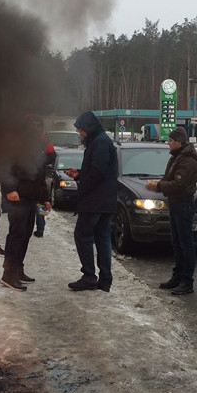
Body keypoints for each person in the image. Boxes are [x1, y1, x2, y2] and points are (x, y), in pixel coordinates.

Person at [65, 111, 118, 292]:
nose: (80, 134)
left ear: (89, 128)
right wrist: (79, 173)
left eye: (81, 130)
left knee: (82, 235)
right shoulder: (100, 140)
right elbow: (97, 169)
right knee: (102, 238)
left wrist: (82, 187)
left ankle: (89, 276)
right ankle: (104, 280)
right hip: (103, 200)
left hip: (96, 200)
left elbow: (98, 172)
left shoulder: (100, 142)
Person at [0, 115, 52, 291]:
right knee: (16, 235)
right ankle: (8, 275)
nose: (37, 130)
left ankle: (18, 269)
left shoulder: (37, 146)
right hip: (18, 198)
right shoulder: (13, 144)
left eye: (39, 127)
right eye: (33, 127)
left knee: (25, 235)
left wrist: (45, 197)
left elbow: (40, 175)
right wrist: (8, 189)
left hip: (31, 199)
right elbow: (3, 167)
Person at [145, 126, 197, 295]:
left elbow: (179, 184)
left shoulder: (187, 160)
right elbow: (170, 178)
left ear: (178, 142)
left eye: (170, 141)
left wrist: (158, 186)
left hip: (183, 204)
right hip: (175, 203)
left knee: (186, 243)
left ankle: (187, 281)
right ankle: (178, 276)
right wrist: (159, 183)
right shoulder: (177, 157)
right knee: (177, 242)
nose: (168, 143)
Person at [34, 121, 56, 238]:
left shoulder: (25, 140)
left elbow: (52, 155)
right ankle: (40, 228)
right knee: (40, 204)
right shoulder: (45, 140)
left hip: (34, 175)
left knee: (38, 204)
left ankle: (39, 228)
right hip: (39, 175)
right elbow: (53, 156)